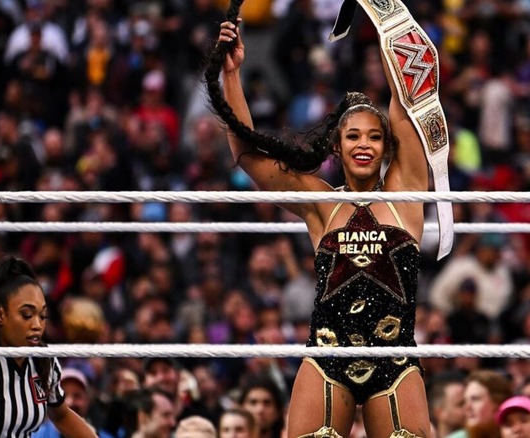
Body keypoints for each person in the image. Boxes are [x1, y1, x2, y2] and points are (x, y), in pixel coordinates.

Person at [206, 0, 435, 435]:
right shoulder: (321, 203)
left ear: (387, 148)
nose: (364, 144)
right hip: (327, 356)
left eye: (374, 136)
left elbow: (409, 97)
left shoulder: (406, 193)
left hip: (395, 357)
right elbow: (248, 157)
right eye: (353, 136)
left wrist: (385, 18)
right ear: (336, 146)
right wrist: (231, 73)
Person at [0, 255, 97, 437]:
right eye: (27, 315)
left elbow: (61, 415)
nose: (37, 325)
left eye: (42, 316)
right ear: (0, 315)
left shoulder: (44, 361)